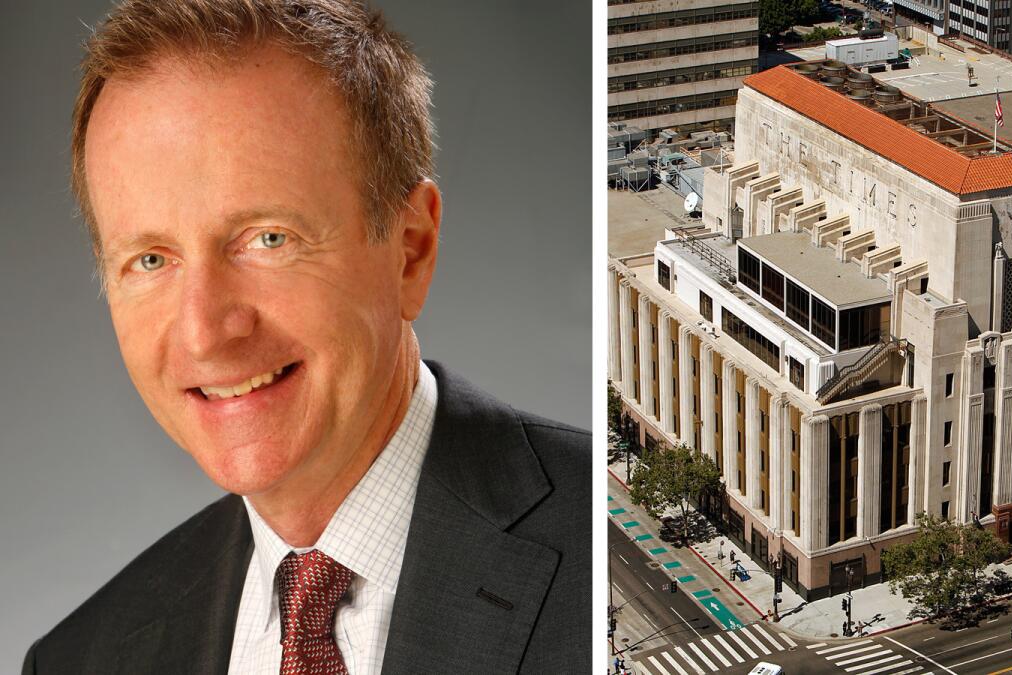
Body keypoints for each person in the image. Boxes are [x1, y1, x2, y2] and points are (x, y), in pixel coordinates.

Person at [20, 1, 589, 673]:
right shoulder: (81, 659)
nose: (205, 332)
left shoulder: (590, 565)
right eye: (151, 259)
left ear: (410, 250)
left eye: (267, 238)